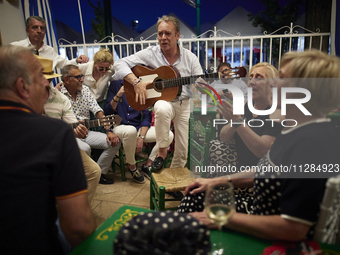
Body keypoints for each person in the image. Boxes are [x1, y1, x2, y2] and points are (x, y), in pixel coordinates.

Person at [179, 50, 340, 241]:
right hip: (257, 208)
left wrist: (224, 217)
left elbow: (294, 229)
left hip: (269, 231)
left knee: (170, 222)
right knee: (195, 196)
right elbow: (268, 168)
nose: (273, 83)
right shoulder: (296, 129)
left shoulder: (312, 142)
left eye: (281, 77)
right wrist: (219, 180)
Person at [0, 45, 96, 253]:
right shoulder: (54, 134)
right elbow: (78, 228)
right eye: (40, 77)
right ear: (22, 87)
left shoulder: (60, 103)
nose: (47, 83)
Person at [113, 15, 203, 170]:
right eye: (160, 34)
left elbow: (200, 87)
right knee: (161, 106)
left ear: (177, 36)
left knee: (182, 151)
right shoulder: (150, 53)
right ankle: (162, 151)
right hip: (165, 102)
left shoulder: (191, 58)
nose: (163, 38)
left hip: (184, 104)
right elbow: (120, 63)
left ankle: (174, 181)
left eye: (168, 33)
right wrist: (136, 82)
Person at [200, 62, 282, 179]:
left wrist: (238, 122)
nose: (252, 82)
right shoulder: (246, 106)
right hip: (239, 171)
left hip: (261, 178)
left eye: (259, 78)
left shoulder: (276, 112)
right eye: (251, 77)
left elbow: (262, 151)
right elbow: (224, 137)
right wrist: (234, 122)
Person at [39, 55, 101, 203]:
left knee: (93, 171)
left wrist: (78, 130)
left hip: (58, 146)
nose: (45, 83)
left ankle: (78, 212)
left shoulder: (60, 98)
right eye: (41, 79)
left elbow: (72, 123)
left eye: (48, 79)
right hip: (32, 150)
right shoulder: (21, 97)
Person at [60, 64, 120, 185]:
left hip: (87, 132)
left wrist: (109, 130)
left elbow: (97, 110)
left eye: (81, 76)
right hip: (68, 136)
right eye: (78, 77)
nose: (82, 79)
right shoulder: (58, 95)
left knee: (114, 143)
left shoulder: (85, 90)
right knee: (85, 149)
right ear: (67, 79)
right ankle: (81, 179)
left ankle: (98, 174)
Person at [104, 79, 174, 183]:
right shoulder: (115, 84)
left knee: (169, 134)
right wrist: (119, 94)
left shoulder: (140, 85)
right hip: (119, 126)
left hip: (137, 128)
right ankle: (132, 166)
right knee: (130, 131)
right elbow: (108, 110)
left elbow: (146, 117)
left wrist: (141, 137)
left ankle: (148, 164)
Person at [11, 16, 88, 69]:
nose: (39, 31)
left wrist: (77, 60)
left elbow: (64, 64)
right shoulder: (15, 48)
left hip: (46, 90)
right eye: (35, 27)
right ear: (27, 30)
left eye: (42, 28)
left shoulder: (49, 50)